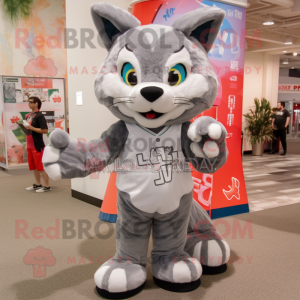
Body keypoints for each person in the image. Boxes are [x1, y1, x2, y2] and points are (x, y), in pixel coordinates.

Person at [24, 97, 51, 192]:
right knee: (34, 166)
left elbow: (45, 130)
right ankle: (38, 184)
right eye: (29, 102)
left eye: (31, 102)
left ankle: (46, 186)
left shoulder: (40, 116)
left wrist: (32, 128)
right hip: (29, 145)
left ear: (36, 104)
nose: (29, 104)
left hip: (37, 145)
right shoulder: (28, 115)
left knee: (41, 166)